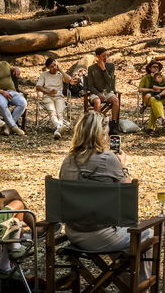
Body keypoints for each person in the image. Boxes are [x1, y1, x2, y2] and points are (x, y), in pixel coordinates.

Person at [59, 111, 134, 252]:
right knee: (150, 233)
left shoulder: (68, 160)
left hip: (73, 231)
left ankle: (116, 272)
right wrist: (122, 166)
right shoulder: (108, 159)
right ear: (100, 134)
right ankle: (130, 273)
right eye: (105, 134)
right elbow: (129, 193)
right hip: (102, 234)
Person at [36, 56, 73, 139]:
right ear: (48, 67)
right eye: (52, 66)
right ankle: (60, 127)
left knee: (60, 114)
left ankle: (57, 130)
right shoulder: (44, 75)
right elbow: (38, 87)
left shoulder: (60, 74)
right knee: (52, 112)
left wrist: (61, 70)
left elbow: (69, 79)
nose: (54, 68)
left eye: (55, 65)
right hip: (47, 96)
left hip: (59, 97)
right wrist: (48, 91)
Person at [85, 47, 122, 125]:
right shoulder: (91, 68)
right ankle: (99, 123)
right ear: (98, 56)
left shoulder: (111, 66)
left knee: (116, 100)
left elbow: (110, 82)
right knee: (97, 101)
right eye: (103, 56)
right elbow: (90, 85)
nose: (106, 58)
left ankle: (114, 123)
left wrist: (104, 69)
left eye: (107, 55)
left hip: (107, 92)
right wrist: (98, 94)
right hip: (95, 92)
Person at [138, 60, 165, 131]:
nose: (156, 68)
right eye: (154, 67)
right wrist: (151, 90)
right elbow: (140, 89)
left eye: (157, 67)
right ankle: (161, 118)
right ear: (150, 68)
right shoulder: (145, 78)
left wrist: (162, 90)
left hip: (161, 99)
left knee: (154, 100)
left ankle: (150, 128)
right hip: (147, 100)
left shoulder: (162, 77)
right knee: (153, 99)